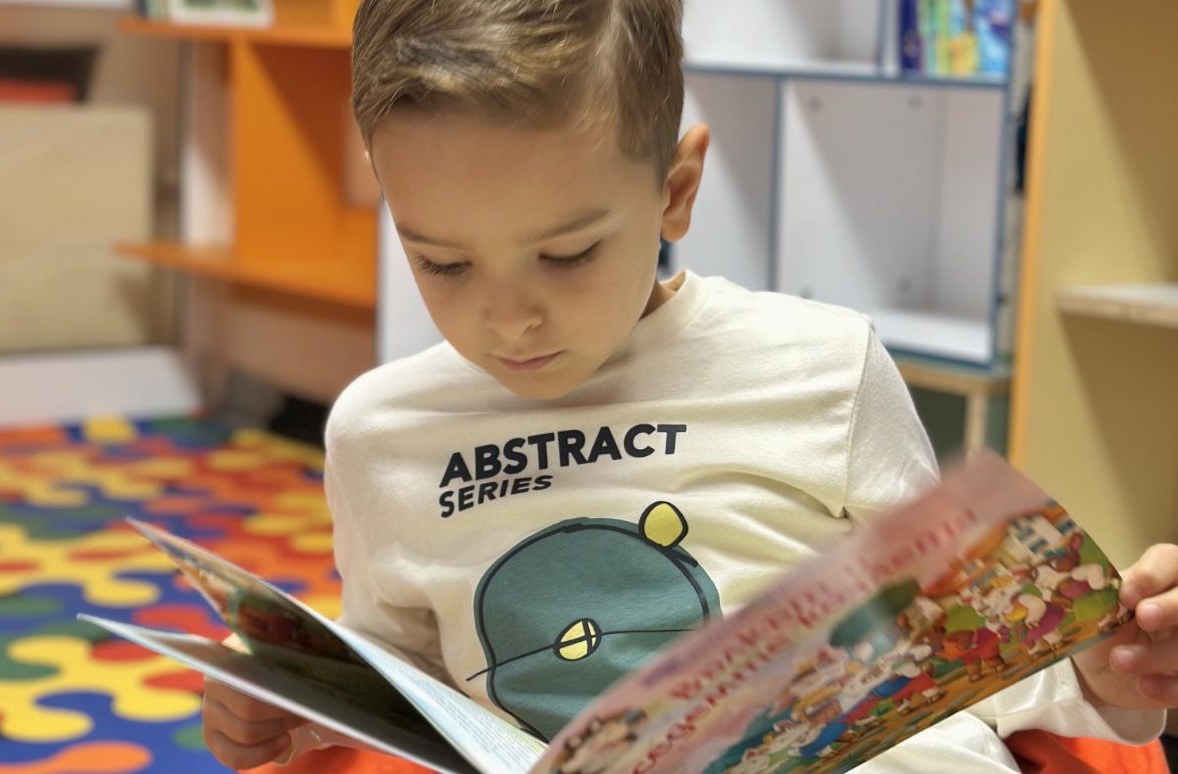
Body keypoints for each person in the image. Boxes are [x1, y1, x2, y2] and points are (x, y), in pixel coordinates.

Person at [200, 0, 1178, 770]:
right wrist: (289, 705)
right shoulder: (381, 433)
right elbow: (401, 685)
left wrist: (1100, 672)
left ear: (675, 191)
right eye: (442, 263)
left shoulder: (820, 366)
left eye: (568, 254)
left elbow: (966, 649)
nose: (509, 318)